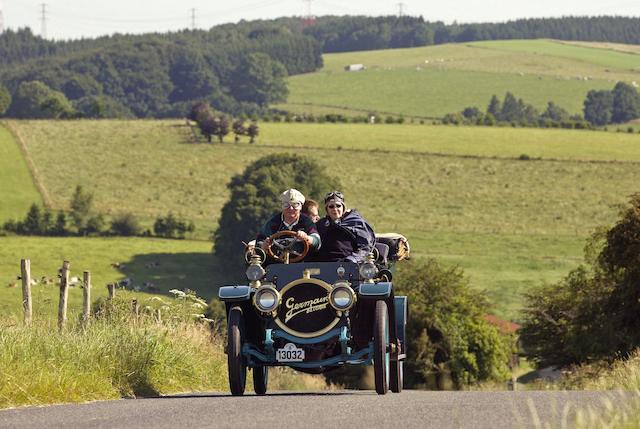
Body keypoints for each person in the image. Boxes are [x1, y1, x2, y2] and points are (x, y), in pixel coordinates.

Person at [256, 189, 320, 258]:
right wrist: (264, 245)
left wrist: (307, 238)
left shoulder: (306, 222)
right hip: (276, 264)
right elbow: (259, 242)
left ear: (301, 207)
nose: (291, 208)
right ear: (282, 206)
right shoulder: (273, 223)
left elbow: (317, 240)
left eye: (295, 204)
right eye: (286, 205)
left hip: (301, 265)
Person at [315, 191, 375, 263]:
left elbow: (365, 246)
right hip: (323, 264)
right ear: (327, 209)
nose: (335, 209)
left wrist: (353, 259)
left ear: (343, 207)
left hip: (347, 264)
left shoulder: (356, 222)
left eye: (338, 206)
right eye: (331, 206)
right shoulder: (321, 224)